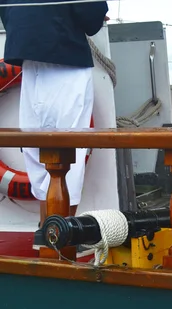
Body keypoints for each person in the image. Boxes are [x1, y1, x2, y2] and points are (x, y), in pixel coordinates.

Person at [0, 0, 109, 224]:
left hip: (28, 60)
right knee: (70, 152)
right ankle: (62, 236)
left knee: (36, 151)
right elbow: (91, 17)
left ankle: (47, 232)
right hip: (66, 62)